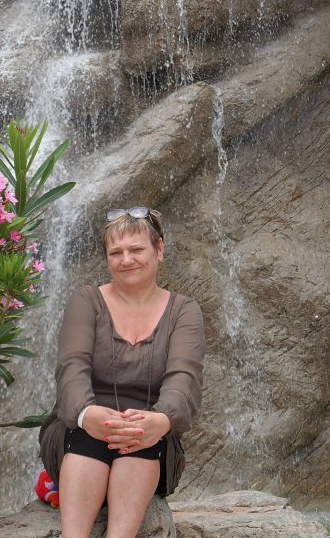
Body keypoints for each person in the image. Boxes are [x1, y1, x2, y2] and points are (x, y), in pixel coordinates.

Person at [39, 206, 206, 538]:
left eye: (136, 249)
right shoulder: (86, 301)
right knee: (88, 436)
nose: (126, 259)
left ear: (159, 250)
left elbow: (184, 380)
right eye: (116, 252)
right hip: (79, 431)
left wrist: (160, 421)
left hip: (152, 439)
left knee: (139, 437)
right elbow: (71, 370)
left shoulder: (184, 311)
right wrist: (87, 414)